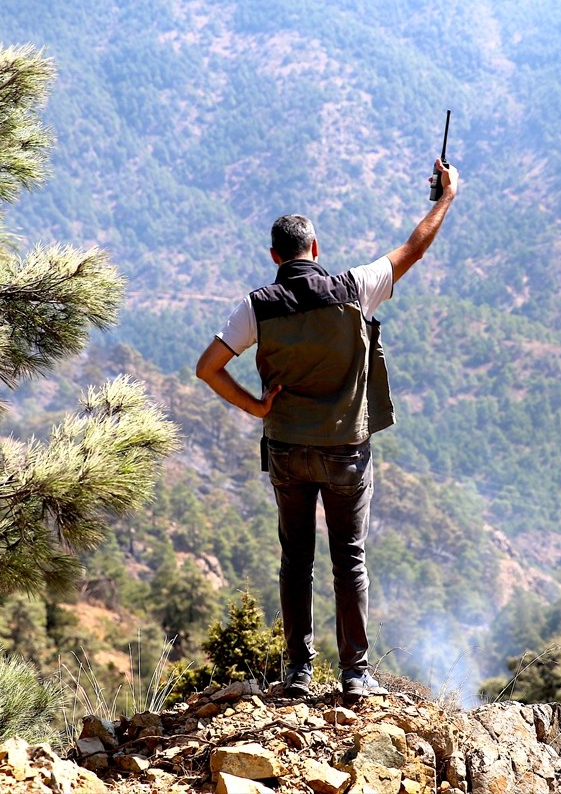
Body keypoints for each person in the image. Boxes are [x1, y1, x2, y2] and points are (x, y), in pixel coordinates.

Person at [196, 159, 460, 702]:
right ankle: (356, 674)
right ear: (315, 249)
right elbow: (413, 249)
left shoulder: (257, 307)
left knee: (296, 560)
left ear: (275, 257)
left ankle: (296, 672)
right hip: (346, 451)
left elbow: (207, 368)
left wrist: (256, 407)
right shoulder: (353, 288)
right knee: (350, 559)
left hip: (288, 449)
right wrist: (445, 199)